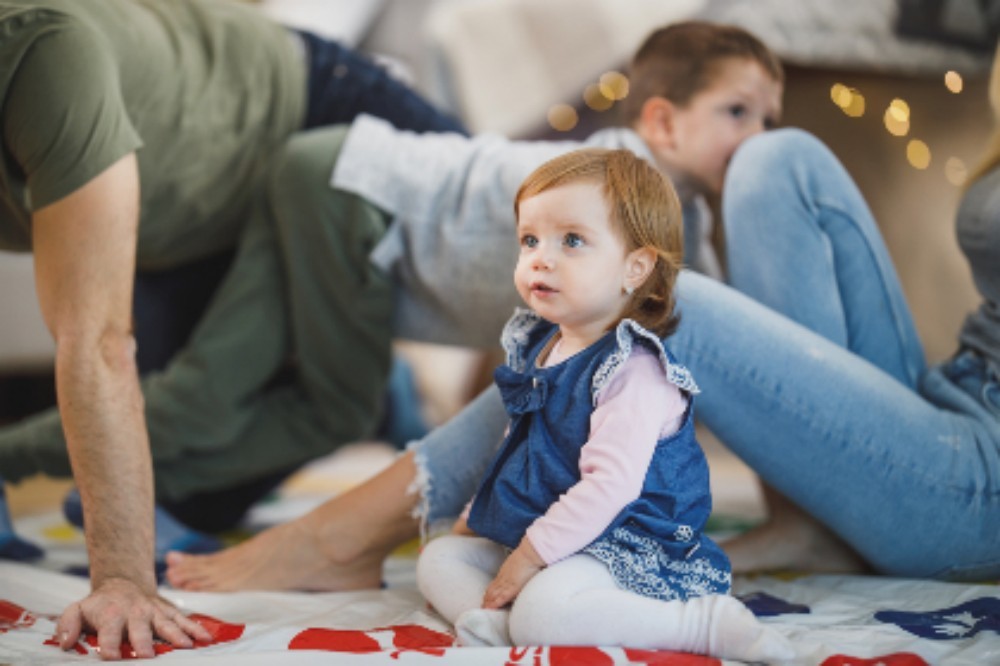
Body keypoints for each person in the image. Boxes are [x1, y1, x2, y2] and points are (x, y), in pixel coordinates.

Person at [169, 40, 1000, 593]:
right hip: (946, 391)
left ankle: (346, 532)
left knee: (648, 309)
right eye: (736, 112)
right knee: (780, 161)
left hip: (977, 475)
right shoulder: (615, 182)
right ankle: (811, 518)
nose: (749, 131)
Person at [0, 0, 462, 659]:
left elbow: (97, 343)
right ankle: (369, 388)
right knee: (176, 485)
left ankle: (355, 377)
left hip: (305, 109)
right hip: (177, 228)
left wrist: (123, 580)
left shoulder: (38, 56)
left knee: (536, 255)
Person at [414, 148, 793, 662]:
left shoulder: (634, 370)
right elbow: (519, 445)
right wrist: (474, 516)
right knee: (440, 558)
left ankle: (699, 624)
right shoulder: (542, 346)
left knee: (545, 611)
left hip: (628, 542)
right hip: (554, 530)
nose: (540, 258)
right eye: (529, 240)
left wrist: (530, 556)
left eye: (572, 240)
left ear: (635, 268)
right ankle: (500, 623)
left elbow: (610, 486)